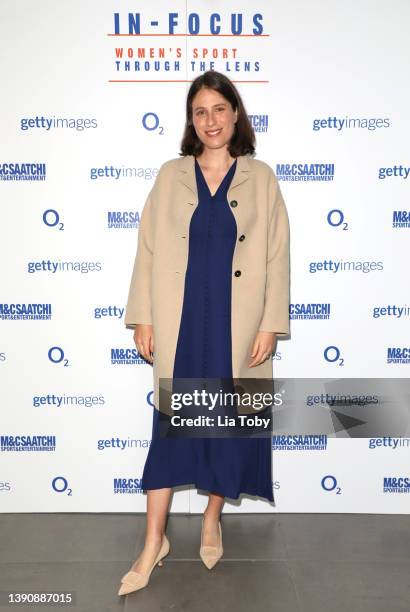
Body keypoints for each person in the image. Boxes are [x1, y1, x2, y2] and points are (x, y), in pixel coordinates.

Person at [118, 70, 290, 596]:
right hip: (183, 324)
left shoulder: (260, 178)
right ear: (191, 121)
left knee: (227, 428)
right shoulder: (170, 174)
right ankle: (154, 543)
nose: (210, 120)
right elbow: (147, 250)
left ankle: (212, 518)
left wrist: (269, 325)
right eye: (200, 112)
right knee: (169, 434)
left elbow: (278, 256)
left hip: (237, 332)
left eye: (219, 109)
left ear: (235, 114)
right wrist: (143, 316)